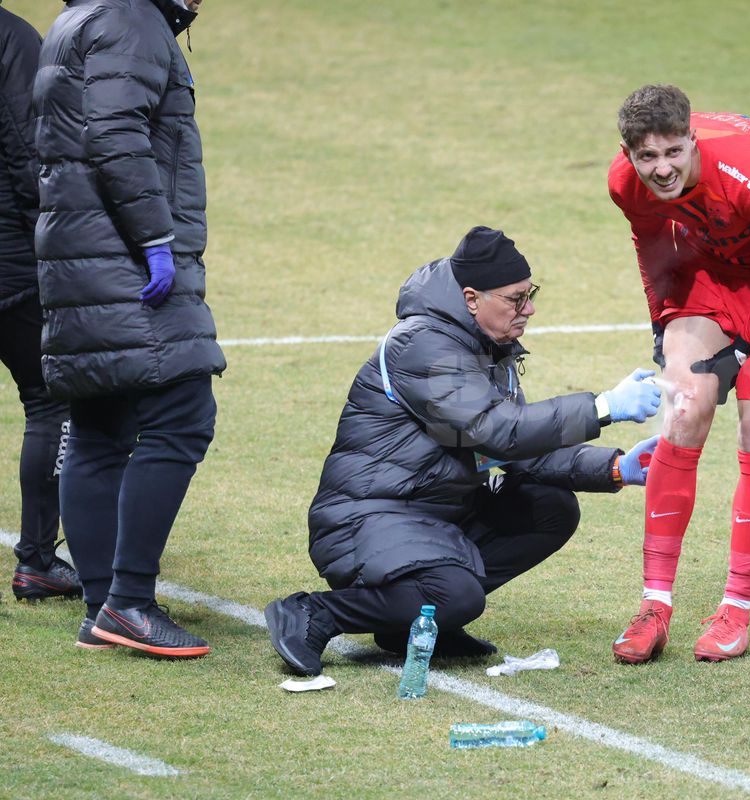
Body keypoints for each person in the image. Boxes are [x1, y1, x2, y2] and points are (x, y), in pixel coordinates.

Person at [265, 226, 661, 677]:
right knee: (459, 594)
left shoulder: (489, 346)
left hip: (431, 514)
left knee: (550, 508)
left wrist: (615, 467)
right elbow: (497, 431)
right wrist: (604, 406)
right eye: (515, 299)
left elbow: (518, 453)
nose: (528, 308)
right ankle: (317, 614)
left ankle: (414, 621)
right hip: (366, 518)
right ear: (472, 299)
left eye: (530, 294)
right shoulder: (423, 345)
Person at [607, 84, 750, 662]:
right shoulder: (625, 183)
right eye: (647, 157)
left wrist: (744, 346)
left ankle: (735, 611)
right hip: (707, 250)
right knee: (684, 406)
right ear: (627, 154)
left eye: (674, 153)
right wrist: (663, 322)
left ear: (692, 140)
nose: (661, 169)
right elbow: (651, 240)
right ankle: (655, 605)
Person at [34, 0, 224, 656]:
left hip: (78, 260)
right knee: (184, 412)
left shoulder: (80, 18)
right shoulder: (130, 19)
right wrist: (157, 239)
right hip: (122, 260)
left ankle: (102, 608)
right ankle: (130, 603)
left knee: (100, 428)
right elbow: (115, 134)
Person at [1, 1, 80, 604]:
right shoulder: (12, 39)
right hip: (12, 268)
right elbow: (32, 157)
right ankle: (36, 560)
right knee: (49, 402)